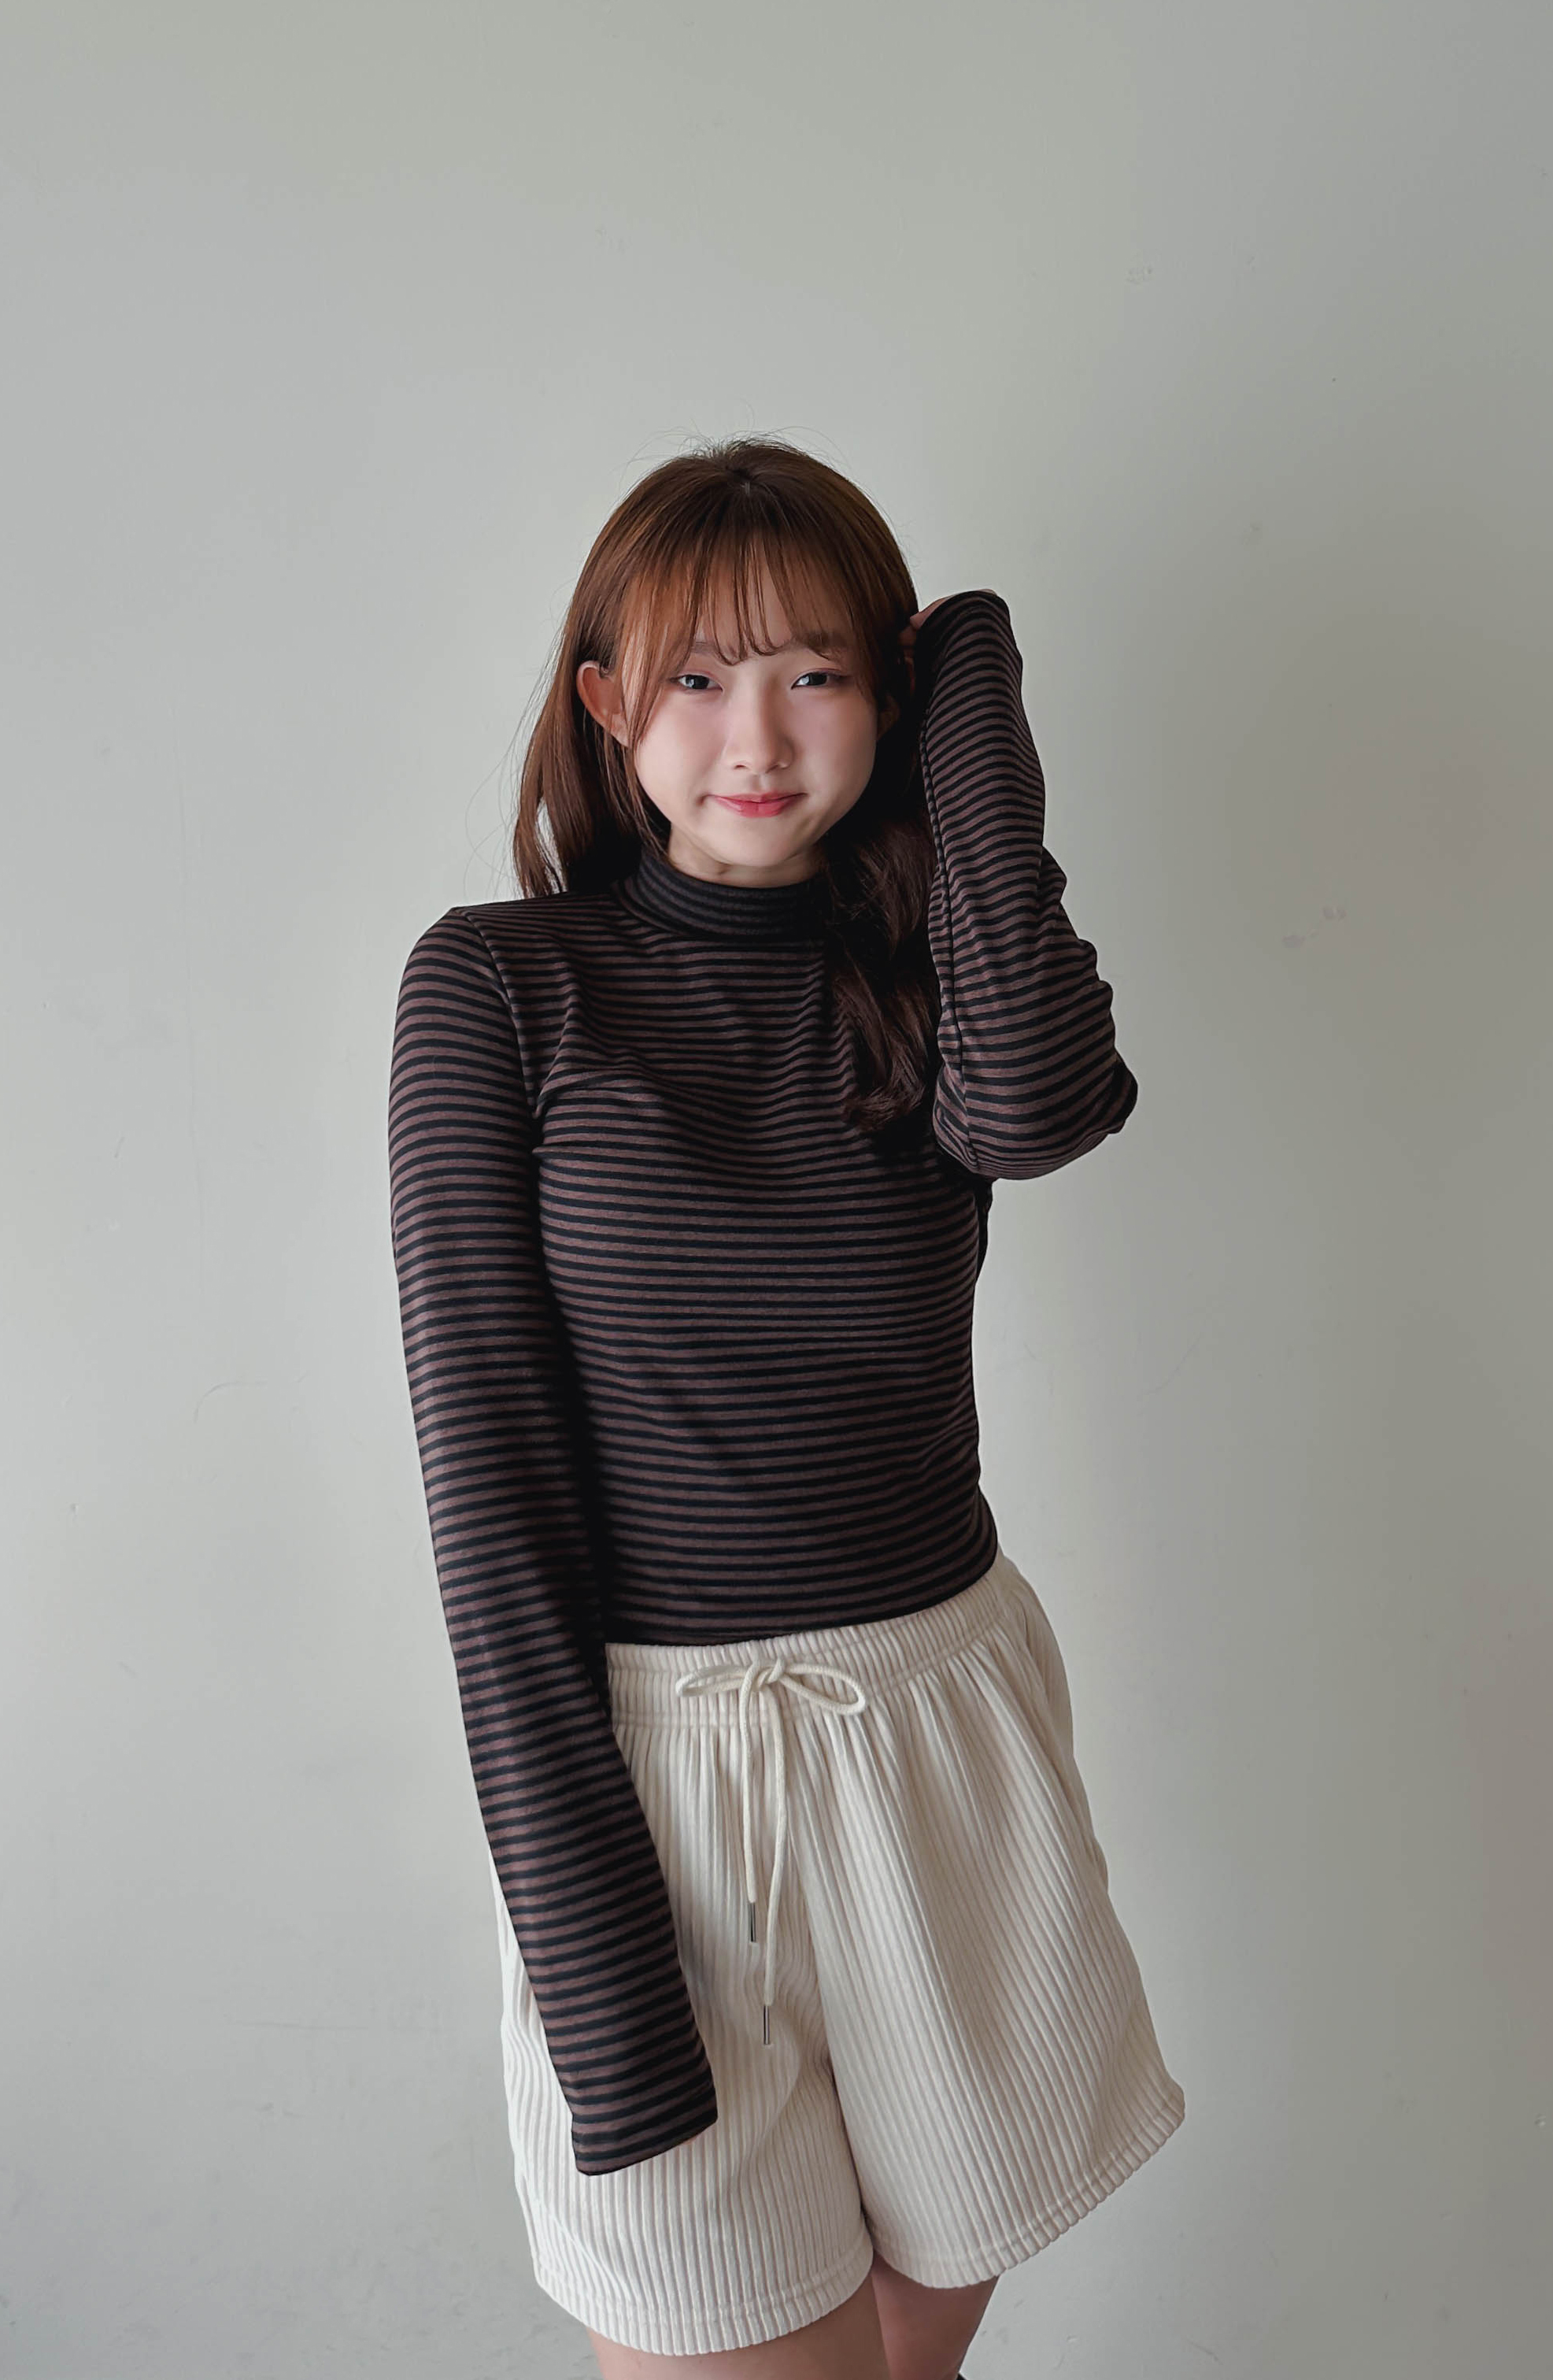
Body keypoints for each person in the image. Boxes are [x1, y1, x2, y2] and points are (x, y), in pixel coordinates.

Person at [386, 437, 1185, 2379]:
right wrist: (595, 1965)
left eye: (816, 673)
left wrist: (969, 670)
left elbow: (1042, 1108)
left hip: (943, 1729)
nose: (756, 735)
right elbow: (488, 1487)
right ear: (606, 704)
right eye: (696, 676)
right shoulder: (500, 988)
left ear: (881, 699)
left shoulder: (928, 979)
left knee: (918, 2349)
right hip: (650, 1777)